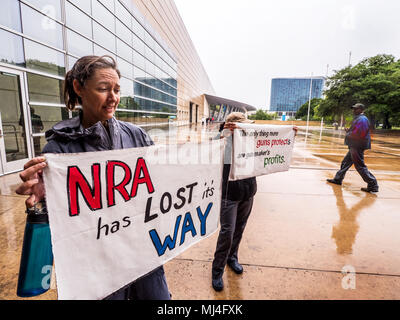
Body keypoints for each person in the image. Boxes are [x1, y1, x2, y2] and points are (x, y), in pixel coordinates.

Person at [15, 55, 170, 300]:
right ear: (79, 88)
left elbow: (160, 188)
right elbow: (63, 221)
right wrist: (45, 200)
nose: (114, 98)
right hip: (99, 268)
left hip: (144, 256)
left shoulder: (138, 136)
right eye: (103, 89)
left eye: (117, 90)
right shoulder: (59, 149)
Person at [327, 103, 379, 193]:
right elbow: (357, 131)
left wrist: (348, 134)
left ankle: (373, 184)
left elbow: (360, 134)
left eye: (356, 109)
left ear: (361, 110)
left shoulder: (362, 119)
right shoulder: (359, 118)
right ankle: (338, 179)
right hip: (354, 145)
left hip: (357, 146)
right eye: (353, 109)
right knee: (346, 162)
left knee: (360, 166)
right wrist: (349, 131)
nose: (354, 110)